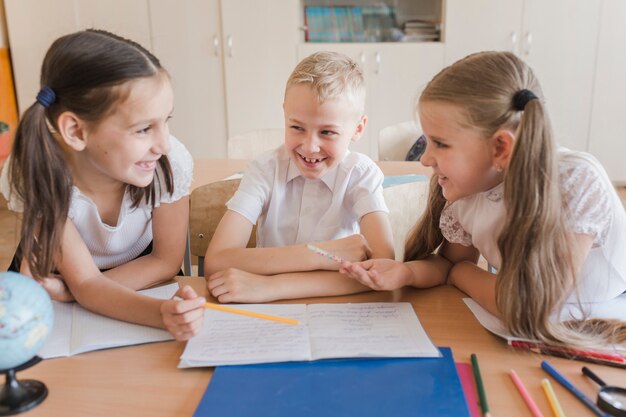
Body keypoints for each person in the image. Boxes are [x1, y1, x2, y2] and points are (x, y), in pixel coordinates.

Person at [341, 51, 626, 348]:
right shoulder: (467, 193)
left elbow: (526, 308)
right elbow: (446, 266)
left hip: (605, 317)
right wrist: (406, 272)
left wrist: (462, 273)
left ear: (500, 148)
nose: (424, 159)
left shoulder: (575, 182)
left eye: (440, 144)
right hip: (543, 328)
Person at [0, 29, 205, 340]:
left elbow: (164, 261)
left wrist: (71, 292)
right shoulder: (37, 169)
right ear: (76, 131)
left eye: (166, 120)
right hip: (55, 286)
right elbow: (86, 283)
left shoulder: (170, 162)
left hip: (125, 280)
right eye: (143, 129)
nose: (163, 144)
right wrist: (159, 314)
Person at [205, 51, 395, 303]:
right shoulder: (264, 169)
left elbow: (382, 270)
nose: (309, 147)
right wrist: (324, 254)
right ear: (284, 114)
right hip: (272, 306)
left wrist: (270, 287)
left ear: (358, 128)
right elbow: (216, 262)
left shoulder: (361, 174)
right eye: (296, 127)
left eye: (327, 132)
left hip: (328, 306)